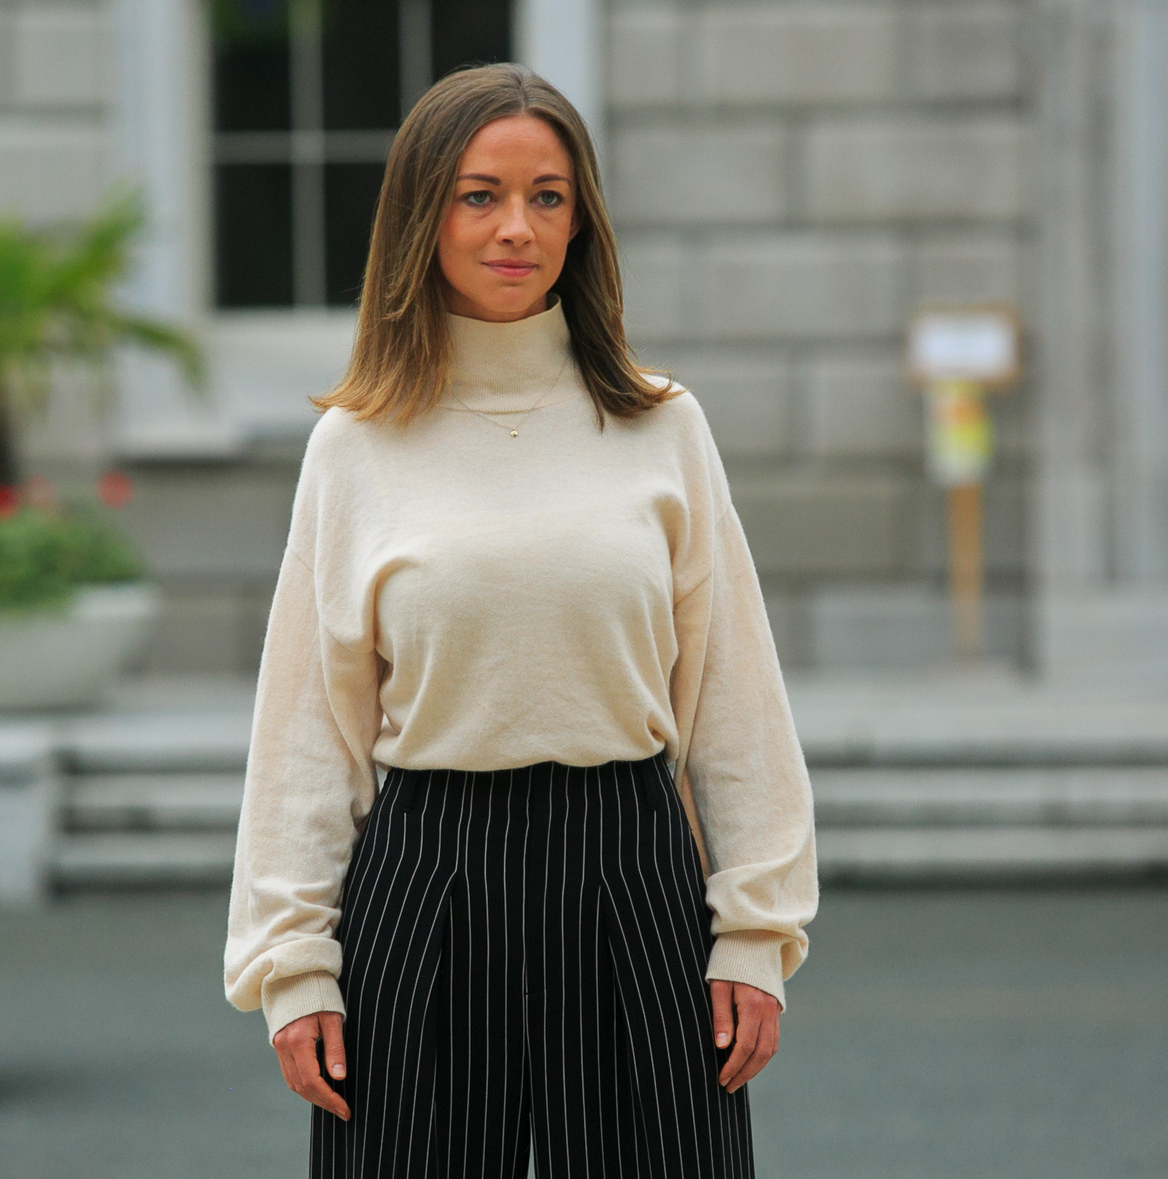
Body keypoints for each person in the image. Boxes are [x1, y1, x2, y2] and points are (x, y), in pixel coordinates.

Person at [223, 62, 819, 1179]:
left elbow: (734, 695)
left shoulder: (661, 427)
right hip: (426, 876)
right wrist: (293, 963)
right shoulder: (355, 446)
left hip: (631, 869)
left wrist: (754, 931)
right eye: (479, 195)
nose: (517, 228)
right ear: (423, 216)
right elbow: (307, 727)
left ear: (580, 219)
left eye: (548, 196)